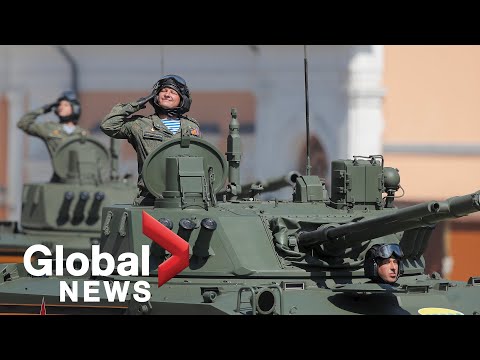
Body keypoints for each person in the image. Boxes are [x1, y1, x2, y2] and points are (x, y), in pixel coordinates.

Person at [100, 74, 201, 206]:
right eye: (163, 91)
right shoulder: (141, 124)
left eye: (173, 92)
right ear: (156, 97)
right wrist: (136, 104)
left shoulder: (191, 127)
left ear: (182, 100)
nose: (167, 94)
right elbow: (108, 125)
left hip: (186, 198)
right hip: (150, 198)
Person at [17, 90, 87, 182]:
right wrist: (44, 109)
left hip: (81, 179)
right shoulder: (50, 128)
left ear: (75, 108)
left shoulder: (82, 133)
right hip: (59, 178)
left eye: (66, 105)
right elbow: (23, 123)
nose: (61, 107)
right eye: (59, 105)